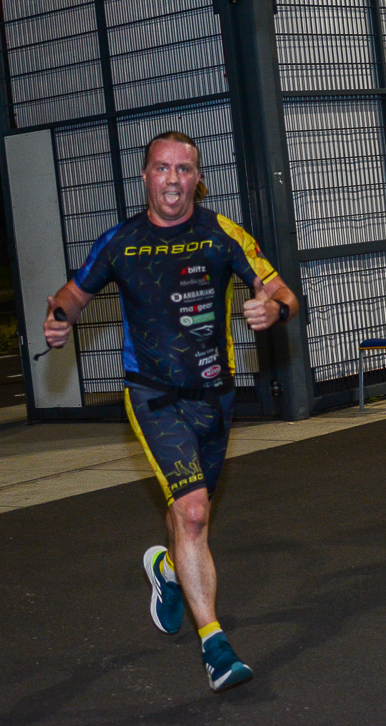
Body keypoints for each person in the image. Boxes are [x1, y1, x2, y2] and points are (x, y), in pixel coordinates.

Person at [43, 131, 300, 691]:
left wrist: (273, 312)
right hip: (152, 395)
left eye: (184, 169)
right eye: (162, 168)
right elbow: (73, 295)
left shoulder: (222, 233)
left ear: (197, 179)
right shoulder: (120, 242)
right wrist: (59, 319)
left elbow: (283, 292)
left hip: (215, 398)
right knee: (194, 512)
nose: (173, 179)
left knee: (189, 509)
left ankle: (165, 568)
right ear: (145, 176)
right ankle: (216, 647)